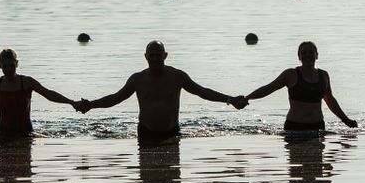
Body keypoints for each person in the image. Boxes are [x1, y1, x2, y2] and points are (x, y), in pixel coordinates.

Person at [76, 41, 247, 139]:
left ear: (165, 55)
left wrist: (230, 99)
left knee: (172, 177)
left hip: (172, 132)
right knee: (147, 178)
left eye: (159, 55)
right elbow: (115, 98)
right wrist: (91, 104)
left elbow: (202, 91)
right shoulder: (138, 79)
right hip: (145, 133)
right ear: (146, 57)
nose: (155, 59)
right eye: (152, 55)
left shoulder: (178, 76)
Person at [244, 41, 358, 130]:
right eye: (304, 53)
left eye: (311, 52)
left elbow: (330, 100)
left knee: (318, 161)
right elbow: (268, 88)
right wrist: (247, 98)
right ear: (299, 57)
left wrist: (345, 120)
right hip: (294, 127)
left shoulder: (324, 75)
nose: (307, 55)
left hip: (317, 127)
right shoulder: (290, 74)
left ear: (317, 55)